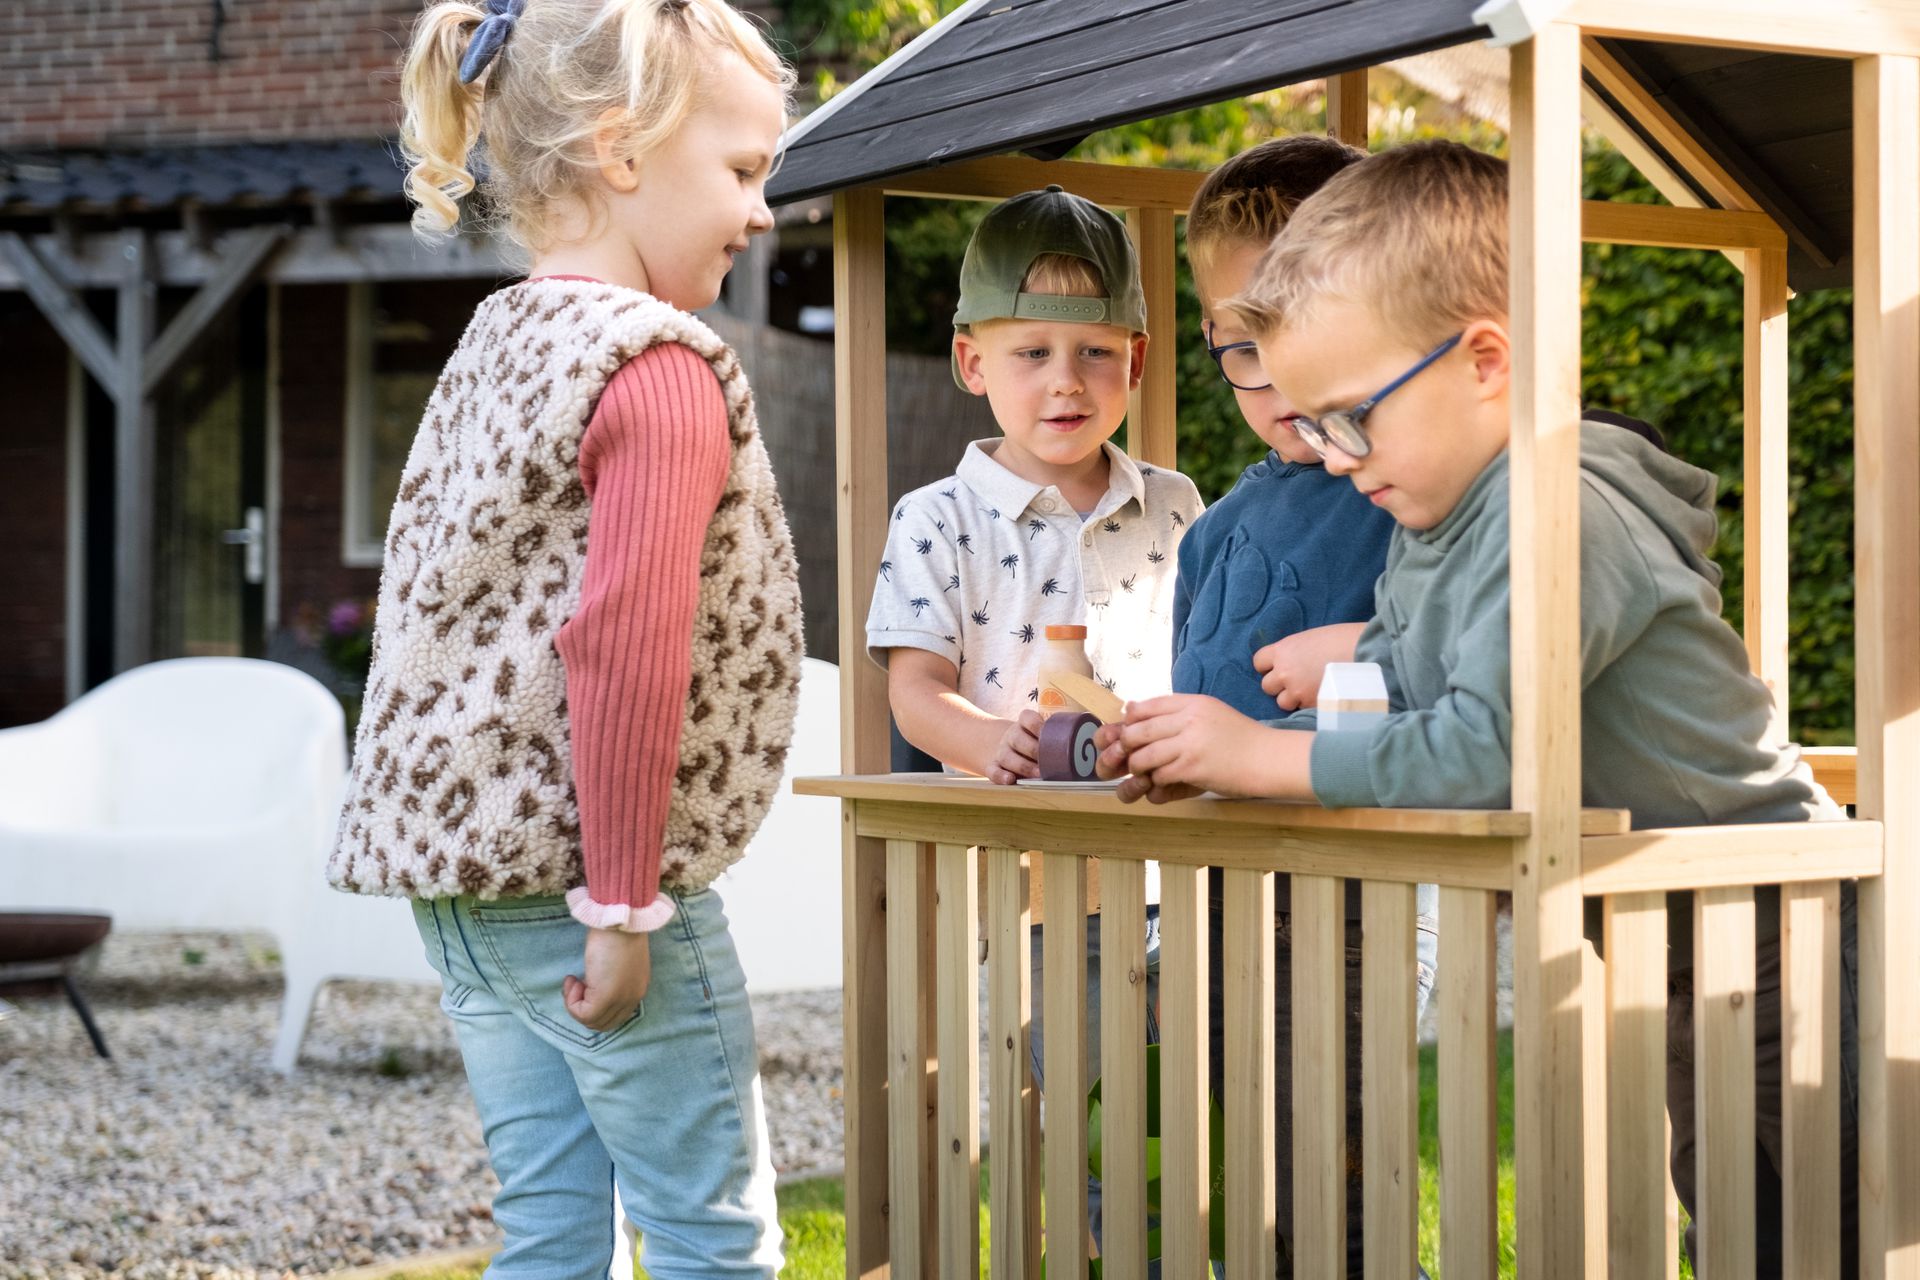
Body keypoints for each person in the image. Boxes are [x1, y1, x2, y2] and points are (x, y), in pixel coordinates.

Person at [1101, 138, 1857, 1278]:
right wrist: (1211, 757)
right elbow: (1395, 700)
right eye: (1307, 421)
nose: (1331, 456)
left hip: (1780, 922)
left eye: (1351, 417)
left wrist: (1258, 755)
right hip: (1680, 935)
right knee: (1740, 1212)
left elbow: (1490, 748)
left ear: (1487, 358)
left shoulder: (1560, 510)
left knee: (1813, 1221)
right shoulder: (1434, 528)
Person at [329, 2, 802, 1275]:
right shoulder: (656, 370)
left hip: (464, 881)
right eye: (746, 170)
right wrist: (625, 905)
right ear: (622, 149)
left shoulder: (496, 341)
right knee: (712, 1233)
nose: (764, 210)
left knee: (549, 1228)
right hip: (592, 873)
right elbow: (624, 645)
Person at [864, 184, 1201, 1253]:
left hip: (1182, 856)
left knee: (1197, 1084)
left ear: (1136, 364)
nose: (1067, 380)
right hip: (1046, 881)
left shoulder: (1178, 501)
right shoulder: (939, 517)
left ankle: (1210, 1237)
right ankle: (1111, 1246)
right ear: (974, 363)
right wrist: (985, 740)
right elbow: (912, 686)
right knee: (1085, 1088)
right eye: (1033, 353)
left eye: (1097, 353)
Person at [1176, 134, 1432, 1277]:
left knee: (1344, 1148)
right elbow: (1204, 709)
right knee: (1250, 1154)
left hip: (1366, 885)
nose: (1272, 373)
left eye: (1300, 329)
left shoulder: (1412, 489)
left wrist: (1369, 648)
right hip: (1223, 892)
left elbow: (1491, 657)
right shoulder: (1214, 532)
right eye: (1242, 341)